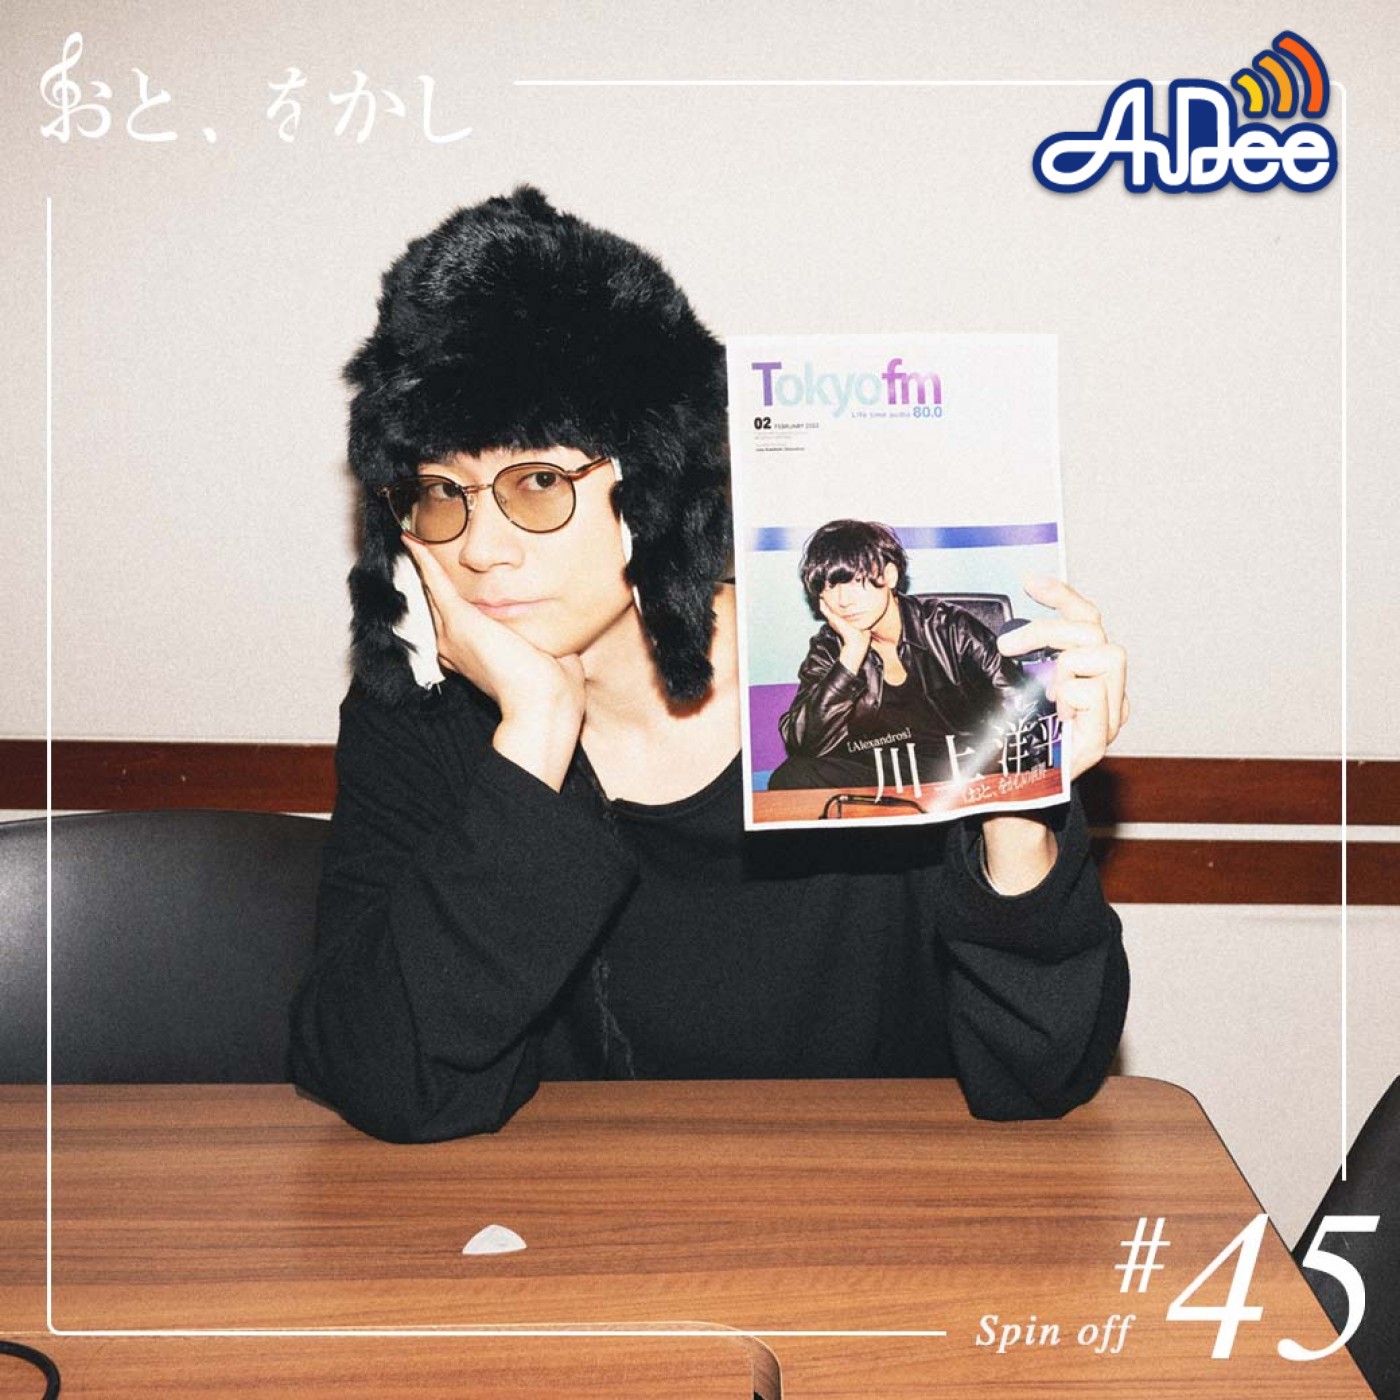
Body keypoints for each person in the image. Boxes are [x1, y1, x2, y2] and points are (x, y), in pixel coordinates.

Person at [288, 186, 1132, 1143]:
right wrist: (532, 742)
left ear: (654, 483)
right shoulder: (425, 714)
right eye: (442, 493)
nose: (480, 548)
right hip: (567, 1212)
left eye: (537, 482)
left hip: (883, 1202)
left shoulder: (865, 684)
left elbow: (1041, 1073)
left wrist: (1014, 806)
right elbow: (379, 1077)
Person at [771, 519, 1033, 791]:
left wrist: (989, 770)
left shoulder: (949, 628)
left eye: (854, 581)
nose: (843, 600)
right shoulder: (831, 646)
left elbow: (1020, 705)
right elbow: (802, 743)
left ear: (890, 576)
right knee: (791, 776)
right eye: (829, 586)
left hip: (966, 764)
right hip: (889, 768)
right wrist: (850, 657)